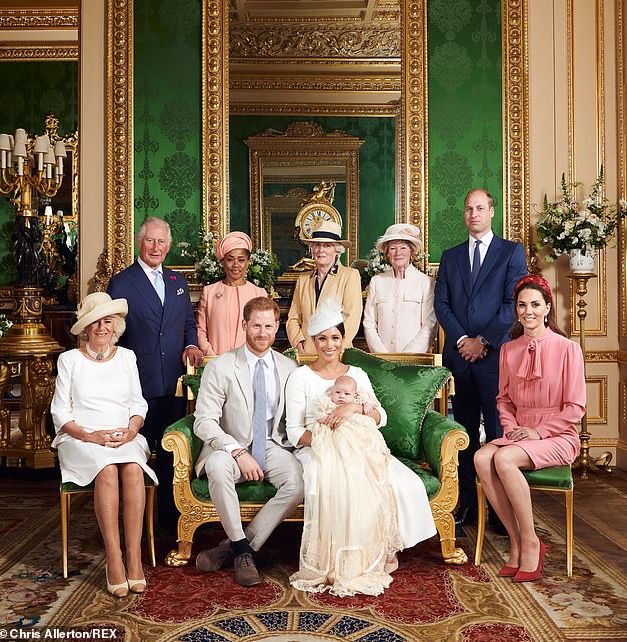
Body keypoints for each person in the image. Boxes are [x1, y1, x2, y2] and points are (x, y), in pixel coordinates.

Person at [286, 299, 437, 596]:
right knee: (335, 483)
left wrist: (354, 409)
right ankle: (336, 559)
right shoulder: (299, 377)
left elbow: (381, 417)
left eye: (335, 338)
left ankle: (378, 551)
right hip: (319, 447)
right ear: (314, 341)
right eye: (322, 338)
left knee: (399, 481)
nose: (329, 345)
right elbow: (294, 432)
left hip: (362, 444)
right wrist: (332, 441)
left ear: (344, 340)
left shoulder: (357, 374)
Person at [474, 275, 585, 582]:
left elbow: (575, 407)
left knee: (504, 458)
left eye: (535, 304)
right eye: (522, 305)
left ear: (547, 308)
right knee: (482, 458)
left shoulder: (567, 349)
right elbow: (504, 399)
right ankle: (516, 541)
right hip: (519, 433)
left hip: (557, 435)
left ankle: (532, 541)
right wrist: (511, 428)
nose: (528, 311)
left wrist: (539, 432)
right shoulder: (509, 349)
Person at [51, 293, 158, 598]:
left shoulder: (127, 358)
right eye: (95, 322)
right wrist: (90, 436)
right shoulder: (69, 360)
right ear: (85, 328)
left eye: (107, 321)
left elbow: (138, 403)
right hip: (81, 437)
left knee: (134, 469)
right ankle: (114, 558)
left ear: (116, 325)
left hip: (124, 434)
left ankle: (134, 558)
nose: (101, 327)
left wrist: (130, 430)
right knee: (108, 470)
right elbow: (60, 411)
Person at [434, 188, 527, 531]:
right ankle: (466, 507)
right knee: (463, 435)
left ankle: (503, 512)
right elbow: (441, 304)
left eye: (479, 208)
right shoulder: (451, 256)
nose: (473, 214)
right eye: (468, 208)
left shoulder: (511, 252)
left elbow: (511, 303)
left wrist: (483, 341)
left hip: (495, 359)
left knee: (500, 433)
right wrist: (462, 340)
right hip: (460, 359)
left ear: (491, 211)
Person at [193, 297, 303, 587]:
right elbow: (204, 422)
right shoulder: (221, 367)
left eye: (268, 326)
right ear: (244, 325)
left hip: (272, 445)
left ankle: (236, 548)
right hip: (230, 446)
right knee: (217, 465)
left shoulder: (289, 367)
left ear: (277, 327)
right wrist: (237, 451)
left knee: (297, 483)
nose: (262, 332)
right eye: (256, 325)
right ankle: (243, 552)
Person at [106, 217, 204, 532]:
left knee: (172, 454)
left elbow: (188, 323)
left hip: (173, 382)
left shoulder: (178, 281)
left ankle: (170, 523)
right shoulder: (121, 283)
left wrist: (191, 344)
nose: (156, 247)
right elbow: (112, 335)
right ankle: (138, 523)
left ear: (169, 246)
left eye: (162, 242)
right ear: (140, 242)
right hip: (138, 383)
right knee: (138, 454)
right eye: (151, 241)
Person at [286, 220, 362, 354]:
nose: (321, 250)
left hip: (337, 354)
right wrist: (299, 346)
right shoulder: (303, 279)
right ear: (312, 249)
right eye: (317, 245)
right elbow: (293, 318)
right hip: (307, 354)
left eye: (327, 245)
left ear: (337, 250)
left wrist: (335, 349)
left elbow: (352, 317)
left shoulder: (350, 276)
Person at [364, 223, 437, 353]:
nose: (398, 253)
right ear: (387, 253)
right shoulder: (377, 281)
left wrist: (409, 356)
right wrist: (382, 356)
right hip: (382, 360)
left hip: (414, 360)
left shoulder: (425, 282)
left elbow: (430, 324)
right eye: (393, 248)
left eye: (403, 248)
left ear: (412, 252)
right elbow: (369, 323)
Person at [196, 231, 268, 356]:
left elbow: (264, 332)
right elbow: (200, 330)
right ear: (222, 262)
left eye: (241, 260)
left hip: (249, 363)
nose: (236, 265)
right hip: (215, 362)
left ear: (248, 262)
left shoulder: (259, 293)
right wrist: (212, 357)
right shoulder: (209, 292)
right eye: (230, 259)